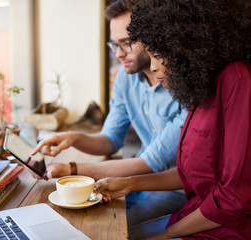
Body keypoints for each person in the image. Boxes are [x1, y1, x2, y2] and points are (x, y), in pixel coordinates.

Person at [93, 0, 251, 239]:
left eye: (158, 55)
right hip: (194, 214)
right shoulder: (199, 89)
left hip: (226, 229)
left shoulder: (237, 80)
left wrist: (166, 235)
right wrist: (131, 183)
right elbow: (192, 172)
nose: (154, 67)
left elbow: (234, 196)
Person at [31, 0, 187, 234]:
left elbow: (152, 162)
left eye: (126, 43)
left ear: (152, 35)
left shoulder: (185, 86)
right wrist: (72, 138)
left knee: (110, 230)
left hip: (174, 188)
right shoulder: (126, 79)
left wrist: (72, 169)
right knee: (78, 221)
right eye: (114, 45)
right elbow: (110, 139)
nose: (119, 53)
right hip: (132, 179)